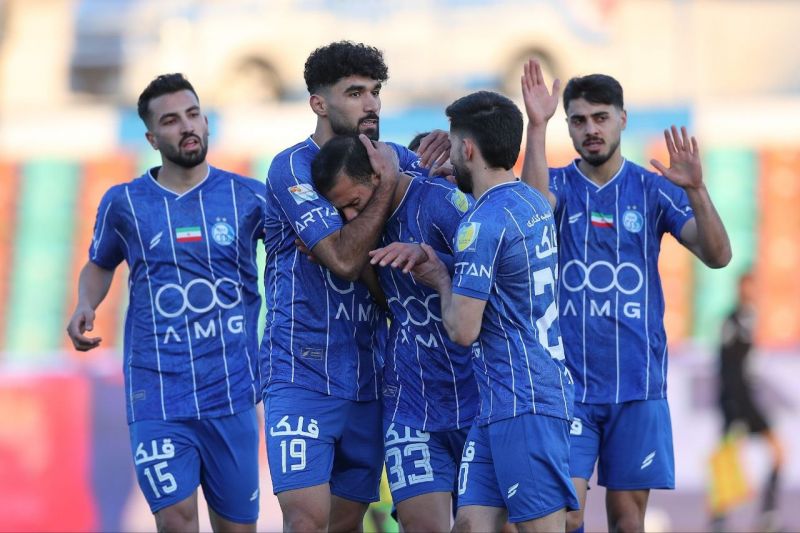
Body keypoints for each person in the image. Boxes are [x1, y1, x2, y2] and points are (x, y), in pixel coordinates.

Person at [520, 59, 732, 532]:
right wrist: (536, 126)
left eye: (600, 117)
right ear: (568, 126)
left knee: (628, 519)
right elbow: (530, 216)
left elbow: (718, 255)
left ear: (622, 119)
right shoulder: (556, 184)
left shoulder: (652, 189)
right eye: (578, 120)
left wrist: (698, 190)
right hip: (567, 388)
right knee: (565, 515)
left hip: (637, 385)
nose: (590, 130)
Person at [260, 41, 448, 532]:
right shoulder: (292, 167)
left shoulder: (398, 159)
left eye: (375, 91)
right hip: (300, 372)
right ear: (319, 104)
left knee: (346, 524)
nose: (372, 104)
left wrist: (455, 157)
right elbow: (343, 259)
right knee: (306, 520)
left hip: (371, 376)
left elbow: (452, 199)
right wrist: (384, 190)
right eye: (355, 92)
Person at [65, 73, 263, 532]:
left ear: (206, 121)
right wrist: (85, 303)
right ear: (152, 138)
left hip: (232, 392)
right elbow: (99, 264)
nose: (187, 126)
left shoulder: (249, 197)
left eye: (193, 114)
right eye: (171, 120)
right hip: (157, 393)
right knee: (176, 521)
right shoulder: (125, 203)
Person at [375, 90, 579, 532]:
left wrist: (439, 276)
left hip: (524, 404)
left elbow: (463, 329)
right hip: (498, 404)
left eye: (452, 145)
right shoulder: (532, 202)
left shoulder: (480, 224)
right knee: (469, 524)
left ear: (467, 149)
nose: (447, 157)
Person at [312, 134, 479, 531]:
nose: (351, 217)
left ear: (379, 175)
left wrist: (437, 264)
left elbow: (500, 272)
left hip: (478, 398)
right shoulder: (363, 230)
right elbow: (385, 299)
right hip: (410, 404)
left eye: (354, 203)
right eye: (341, 209)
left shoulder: (442, 201)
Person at [711, 272, 784, 532]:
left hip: (748, 398)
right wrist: (732, 407)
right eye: (746, 288)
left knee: (778, 452)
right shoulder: (731, 322)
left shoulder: (751, 319)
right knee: (727, 459)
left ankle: (767, 514)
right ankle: (719, 519)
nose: (750, 293)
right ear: (740, 290)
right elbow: (726, 368)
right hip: (736, 401)